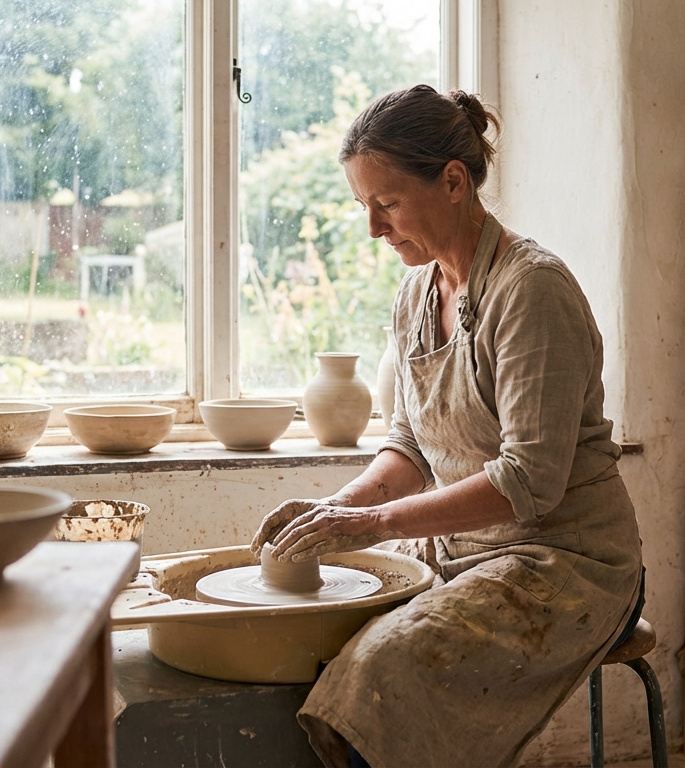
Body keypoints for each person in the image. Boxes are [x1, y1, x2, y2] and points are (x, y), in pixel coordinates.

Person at [250, 84, 644, 768]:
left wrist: (374, 527)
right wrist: (337, 509)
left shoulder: (531, 291)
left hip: (567, 561)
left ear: (454, 181)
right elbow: (407, 445)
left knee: (383, 671)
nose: (373, 228)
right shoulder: (417, 290)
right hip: (463, 553)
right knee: (313, 638)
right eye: (362, 207)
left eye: (387, 203)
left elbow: (529, 483)